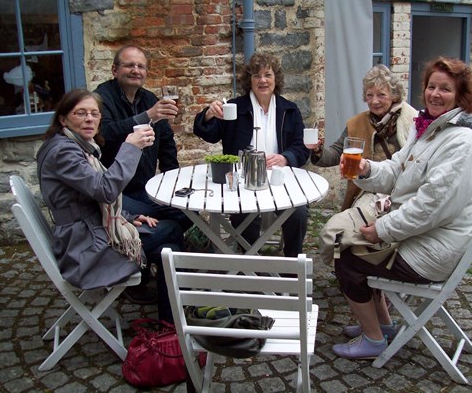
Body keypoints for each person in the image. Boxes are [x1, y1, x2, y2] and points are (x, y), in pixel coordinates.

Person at [332, 57, 472, 359]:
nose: (435, 94)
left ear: (462, 96)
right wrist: (365, 170)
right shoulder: (430, 127)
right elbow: (398, 169)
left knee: (347, 258)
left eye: (445, 89)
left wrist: (381, 230)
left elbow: (430, 207)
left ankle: (373, 341)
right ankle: (383, 327)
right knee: (354, 246)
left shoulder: (462, 143)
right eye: (431, 86)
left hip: (435, 248)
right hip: (425, 235)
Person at [36, 89, 179, 323]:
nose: (89, 119)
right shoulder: (64, 152)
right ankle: (171, 319)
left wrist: (127, 217)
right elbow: (105, 190)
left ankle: (169, 319)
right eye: (80, 113)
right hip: (84, 248)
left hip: (87, 232)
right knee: (172, 228)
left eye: (94, 113)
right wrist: (131, 147)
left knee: (170, 247)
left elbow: (91, 196)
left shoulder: (72, 145)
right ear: (63, 119)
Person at [94, 44, 191, 303]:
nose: (135, 70)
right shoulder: (101, 99)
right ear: (115, 70)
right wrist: (146, 116)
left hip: (148, 186)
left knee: (187, 213)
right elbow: (104, 135)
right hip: (117, 193)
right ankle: (142, 274)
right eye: (129, 65)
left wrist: (173, 183)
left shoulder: (149, 99)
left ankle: (165, 271)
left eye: (141, 66)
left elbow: (166, 142)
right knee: (166, 225)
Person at [193, 52, 310, 258]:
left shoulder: (290, 110)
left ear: (276, 79)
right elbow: (207, 134)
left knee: (298, 213)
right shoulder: (234, 108)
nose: (262, 80)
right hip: (242, 181)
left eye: (268, 75)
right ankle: (251, 263)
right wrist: (209, 114)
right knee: (244, 214)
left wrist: (285, 158)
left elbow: (301, 147)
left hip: (278, 180)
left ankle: (292, 265)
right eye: (256, 76)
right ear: (250, 81)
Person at [306, 64, 417, 210]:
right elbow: (335, 154)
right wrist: (317, 150)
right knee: (338, 230)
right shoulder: (357, 123)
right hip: (367, 193)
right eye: (370, 95)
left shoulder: (413, 121)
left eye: (381, 95)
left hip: (404, 194)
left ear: (394, 96)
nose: (374, 101)